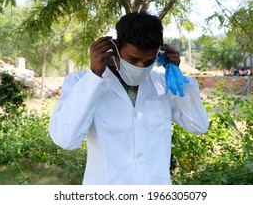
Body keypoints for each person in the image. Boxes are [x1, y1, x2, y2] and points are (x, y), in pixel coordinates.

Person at [49, 11, 208, 185]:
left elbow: (198, 125)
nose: (141, 67)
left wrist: (176, 75)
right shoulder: (82, 82)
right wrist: (95, 75)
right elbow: (66, 139)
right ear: (115, 48)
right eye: (133, 60)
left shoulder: (162, 84)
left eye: (149, 62)